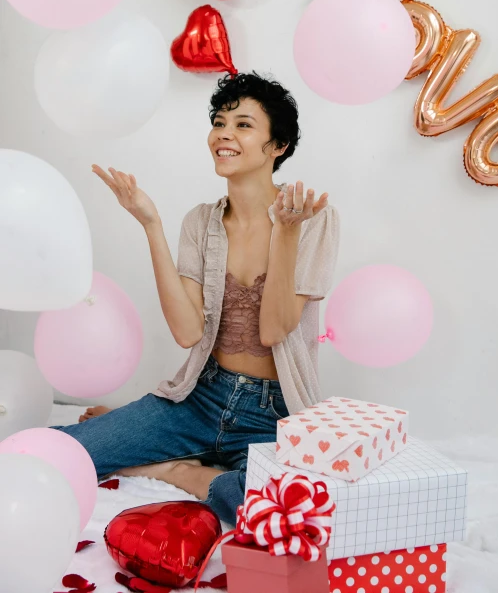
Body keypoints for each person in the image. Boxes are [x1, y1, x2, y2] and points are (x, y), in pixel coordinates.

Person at [52, 72, 340, 525]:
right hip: (200, 398)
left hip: (274, 414)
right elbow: (188, 332)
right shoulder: (200, 223)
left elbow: (274, 329)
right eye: (220, 122)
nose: (224, 134)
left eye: (244, 125)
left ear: (277, 146)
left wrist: (286, 233)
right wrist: (151, 225)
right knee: (60, 451)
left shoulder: (312, 219)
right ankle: (151, 436)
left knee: (277, 510)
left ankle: (178, 470)